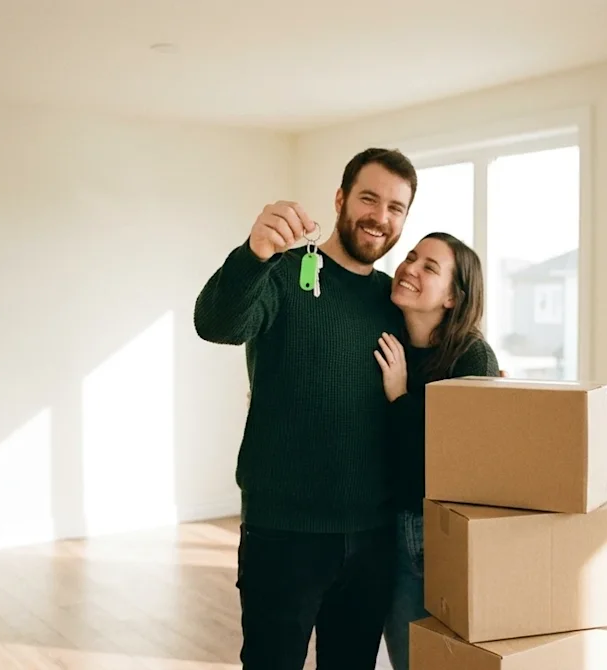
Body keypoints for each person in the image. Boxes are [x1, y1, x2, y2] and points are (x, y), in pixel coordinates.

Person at [193, 147, 418, 670]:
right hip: (284, 534)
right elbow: (216, 322)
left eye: (396, 207)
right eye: (368, 198)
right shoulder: (281, 273)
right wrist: (254, 252)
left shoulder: (393, 300)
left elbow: (446, 353)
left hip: (372, 536)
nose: (380, 217)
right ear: (340, 199)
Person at [373, 232, 500, 670]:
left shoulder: (472, 358)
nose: (410, 268)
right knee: (405, 658)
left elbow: (458, 461)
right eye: (410, 257)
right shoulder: (387, 342)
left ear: (452, 297)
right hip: (382, 526)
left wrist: (400, 396)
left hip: (439, 531)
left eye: (430, 267)